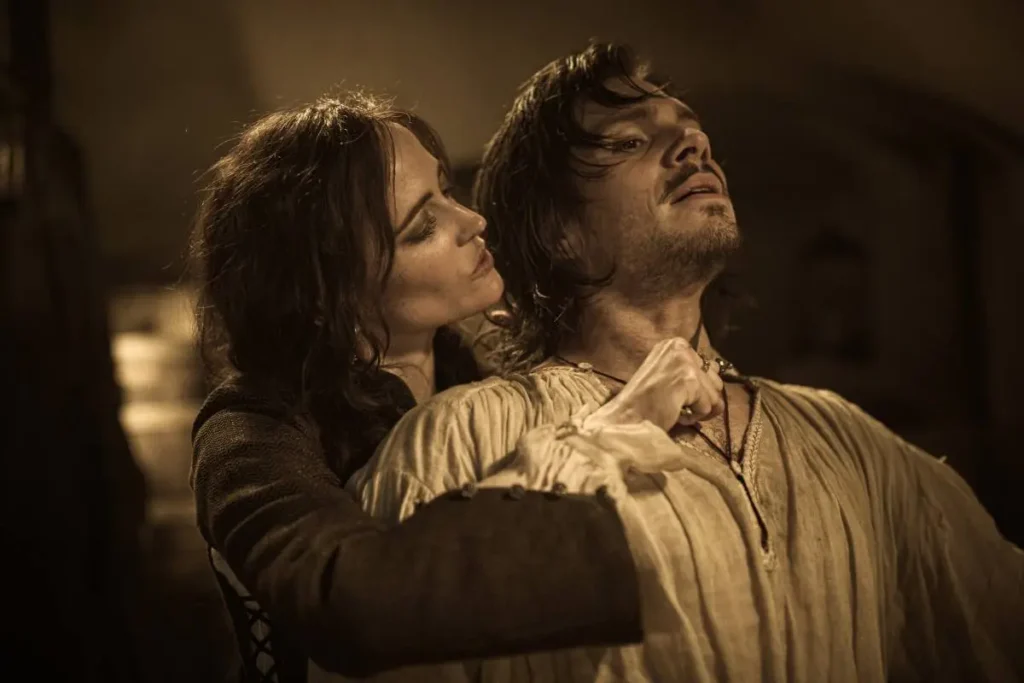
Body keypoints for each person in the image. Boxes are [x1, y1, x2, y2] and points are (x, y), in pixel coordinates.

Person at [344, 43, 1024, 682]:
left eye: (693, 132)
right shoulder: (462, 439)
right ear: (558, 230)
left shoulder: (847, 440)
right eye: (629, 141)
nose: (692, 144)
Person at [189, 94, 697, 682]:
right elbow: (351, 603)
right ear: (328, 295)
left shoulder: (483, 375)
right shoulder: (250, 432)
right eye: (424, 226)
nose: (472, 221)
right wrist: (612, 442)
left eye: (447, 191)